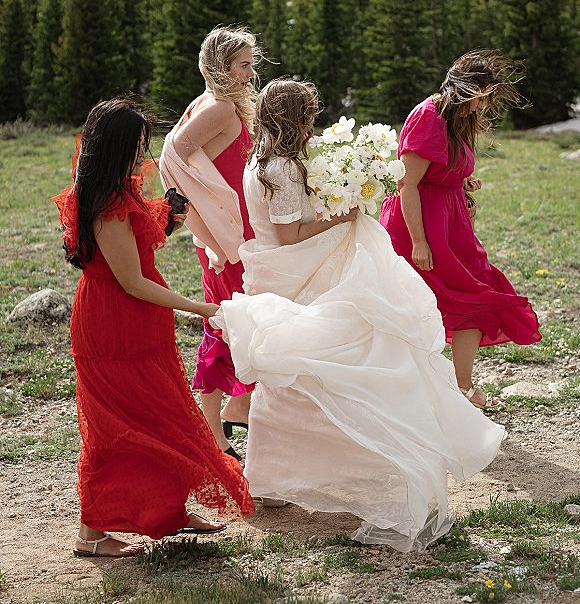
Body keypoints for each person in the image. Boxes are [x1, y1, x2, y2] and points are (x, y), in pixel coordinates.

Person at [211, 78, 505, 552]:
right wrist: (345, 212)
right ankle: (337, 470)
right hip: (296, 272)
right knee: (323, 370)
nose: (312, 124)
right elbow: (290, 235)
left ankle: (270, 479)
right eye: (307, 116)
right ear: (294, 119)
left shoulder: (259, 162)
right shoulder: (282, 167)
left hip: (277, 270)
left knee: (292, 378)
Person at [53, 98, 254, 558]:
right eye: (139, 144)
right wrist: (200, 308)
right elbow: (133, 282)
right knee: (115, 430)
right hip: (114, 326)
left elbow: (142, 240)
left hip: (140, 329)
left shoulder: (114, 188)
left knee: (162, 415)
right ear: (119, 147)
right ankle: (91, 534)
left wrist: (171, 213)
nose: (144, 153)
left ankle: (169, 510)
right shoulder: (107, 203)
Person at [380, 51, 541, 410]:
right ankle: (410, 389)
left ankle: (461, 387)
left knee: (477, 299)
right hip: (416, 227)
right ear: (463, 91)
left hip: (452, 227)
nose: (484, 105)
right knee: (414, 307)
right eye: (481, 96)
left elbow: (443, 170)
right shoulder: (428, 117)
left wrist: (463, 183)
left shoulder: (458, 120)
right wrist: (419, 242)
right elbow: (407, 185)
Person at [159, 27, 258, 459]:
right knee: (226, 323)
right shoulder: (217, 108)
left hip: (236, 231)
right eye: (244, 66)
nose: (251, 74)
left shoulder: (217, 104)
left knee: (245, 319)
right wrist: (207, 234)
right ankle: (215, 434)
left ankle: (238, 408)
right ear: (221, 67)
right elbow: (171, 156)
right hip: (227, 238)